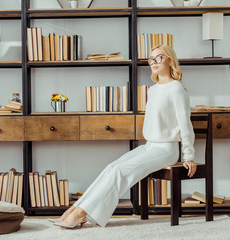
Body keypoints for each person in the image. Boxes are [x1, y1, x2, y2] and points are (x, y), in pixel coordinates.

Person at [52, 45, 196, 228]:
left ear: (170, 60)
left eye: (159, 57)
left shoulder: (176, 89)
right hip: (150, 145)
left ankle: (81, 213)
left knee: (121, 172)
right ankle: (75, 209)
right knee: (112, 167)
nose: (154, 62)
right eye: (151, 59)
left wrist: (189, 156)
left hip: (166, 149)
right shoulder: (152, 90)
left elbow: (185, 125)